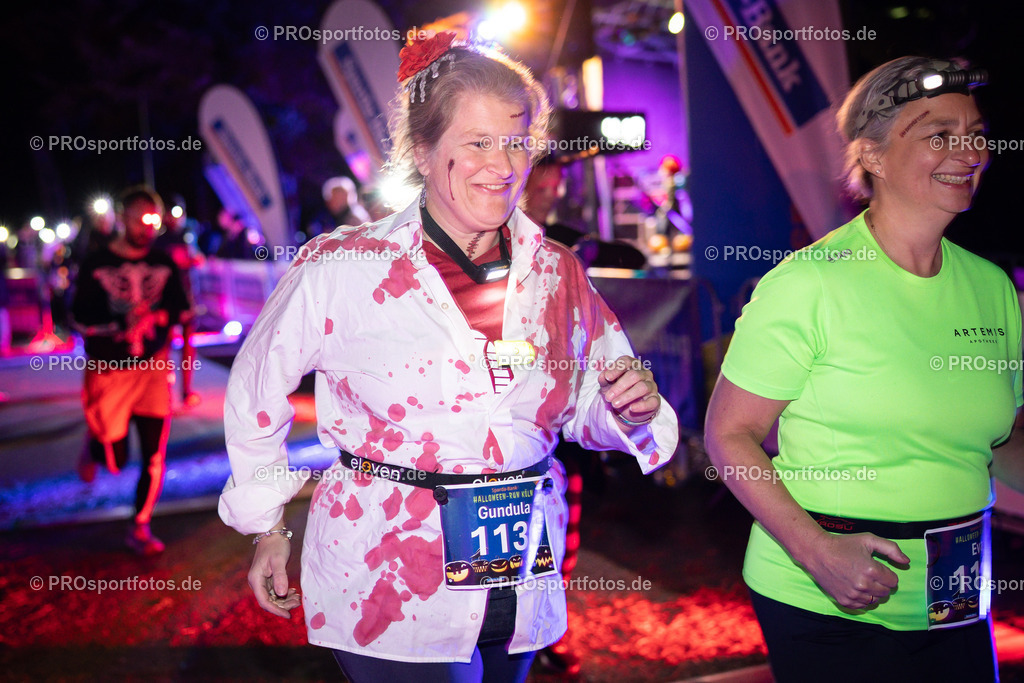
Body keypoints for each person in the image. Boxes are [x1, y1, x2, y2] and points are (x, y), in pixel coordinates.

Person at [219, 32, 678, 682]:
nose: (503, 164)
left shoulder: (557, 271)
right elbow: (255, 387)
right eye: (478, 142)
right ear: (424, 150)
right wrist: (268, 524)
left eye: (516, 141)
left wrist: (626, 409)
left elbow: (584, 408)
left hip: (520, 566)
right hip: (389, 573)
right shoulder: (344, 266)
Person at [704, 57, 1019, 681]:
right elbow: (729, 435)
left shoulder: (992, 288)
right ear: (872, 156)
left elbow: (999, 441)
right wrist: (817, 552)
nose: (969, 152)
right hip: (830, 594)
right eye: (939, 135)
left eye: (976, 134)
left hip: (955, 591)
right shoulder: (810, 283)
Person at [71, 186, 191, 555]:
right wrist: (118, 322)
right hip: (110, 371)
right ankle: (96, 444)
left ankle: (140, 525)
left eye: (151, 219)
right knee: (116, 460)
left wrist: (158, 317)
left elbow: (183, 310)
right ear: (122, 218)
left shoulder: (164, 262)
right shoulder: (97, 263)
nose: (145, 226)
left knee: (154, 454)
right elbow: (77, 316)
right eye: (138, 218)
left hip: (153, 369)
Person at [154, 195, 202, 408]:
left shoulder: (188, 236)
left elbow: (196, 259)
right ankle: (163, 387)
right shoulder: (160, 239)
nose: (175, 218)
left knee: (188, 344)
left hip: (187, 297)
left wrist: (192, 258)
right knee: (164, 344)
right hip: (166, 299)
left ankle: (186, 390)